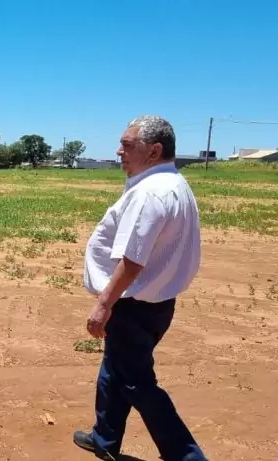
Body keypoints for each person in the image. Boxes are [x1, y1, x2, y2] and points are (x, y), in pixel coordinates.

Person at [72, 115, 208, 461]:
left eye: (128, 145)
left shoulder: (150, 193)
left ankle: (187, 456)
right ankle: (104, 439)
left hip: (134, 305)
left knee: (137, 382)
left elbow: (132, 260)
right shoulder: (176, 185)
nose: (119, 151)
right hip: (158, 303)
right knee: (115, 370)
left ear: (154, 151)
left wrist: (104, 304)